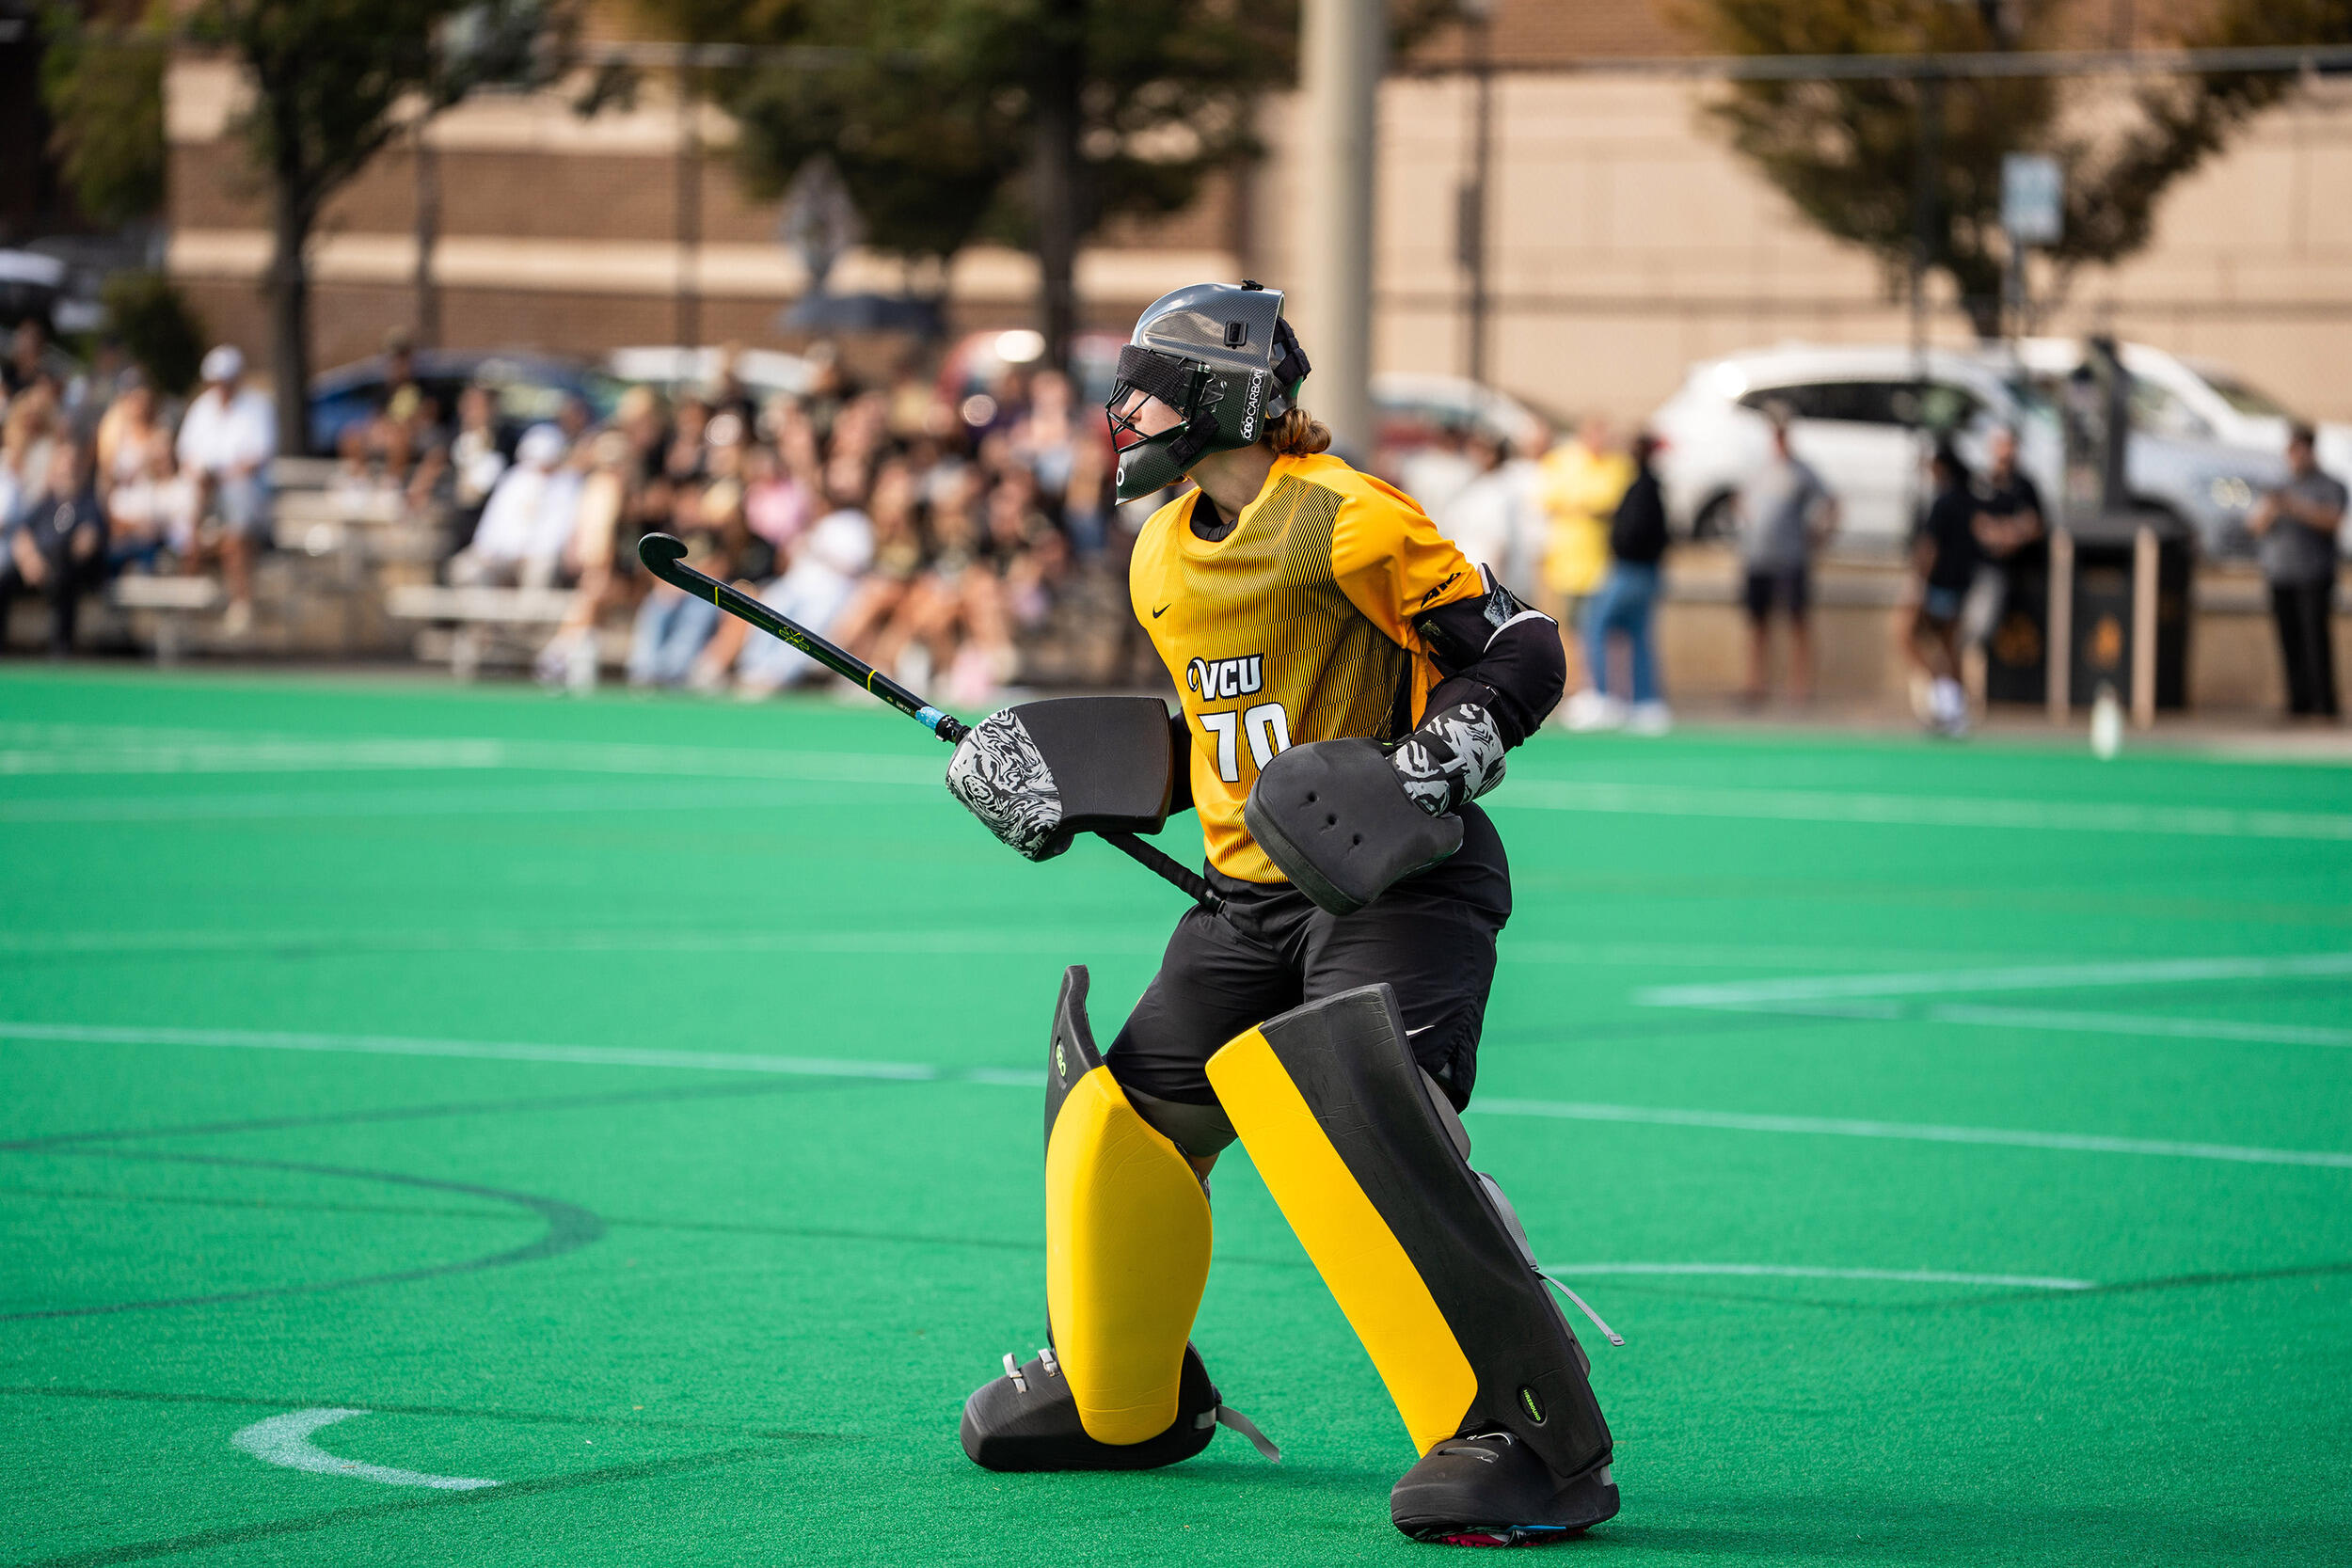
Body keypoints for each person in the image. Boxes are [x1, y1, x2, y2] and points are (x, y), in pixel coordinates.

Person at [943, 281, 1616, 1546]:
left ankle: (1528, 1438)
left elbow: (1524, 647)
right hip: (1247, 900)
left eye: (1143, 385)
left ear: (1219, 395)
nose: (1119, 410)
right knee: (1117, 1125)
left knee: (1359, 1130)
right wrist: (1059, 779)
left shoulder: (1348, 519)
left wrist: (1431, 762)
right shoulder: (1159, 553)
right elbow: (1221, 732)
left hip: (1401, 887)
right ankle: (1124, 1398)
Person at [1733, 414, 1836, 705]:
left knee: (1797, 621)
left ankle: (1799, 687)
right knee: (1757, 622)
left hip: (1791, 559)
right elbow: (1742, 501)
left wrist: (1820, 536)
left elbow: (1830, 501)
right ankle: (1754, 684)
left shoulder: (1802, 471)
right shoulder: (1759, 468)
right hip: (1758, 558)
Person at [174, 344, 276, 636]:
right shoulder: (201, 408)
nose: (221, 386)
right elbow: (187, 457)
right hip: (204, 495)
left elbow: (255, 459)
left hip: (243, 495)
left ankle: (238, 601)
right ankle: (186, 598)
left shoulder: (257, 406)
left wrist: (220, 476)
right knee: (191, 511)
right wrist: (206, 477)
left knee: (235, 529)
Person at [1572, 432, 1670, 734]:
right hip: (1647, 571)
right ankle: (1646, 702)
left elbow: (1634, 532)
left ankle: (1603, 698)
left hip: (1629, 570)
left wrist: (1620, 544)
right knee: (1638, 634)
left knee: (1595, 625)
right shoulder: (1652, 487)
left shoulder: (1641, 488)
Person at [2248, 423, 2346, 720]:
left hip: (2314, 575)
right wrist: (2273, 508)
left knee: (2315, 640)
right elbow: (2254, 526)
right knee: (2288, 640)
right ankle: (2298, 702)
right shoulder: (2279, 484)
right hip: (2281, 574)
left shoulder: (2329, 485)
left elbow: (2333, 521)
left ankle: (2324, 704)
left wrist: (2296, 508)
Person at [1538, 417, 1630, 718]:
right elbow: (1549, 498)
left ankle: (1605, 691)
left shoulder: (1618, 466)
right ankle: (1583, 689)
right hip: (1567, 563)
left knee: (1603, 629)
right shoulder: (1562, 461)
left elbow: (1612, 503)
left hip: (1605, 563)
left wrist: (1579, 504)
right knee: (1574, 629)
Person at [0, 436, 107, 655]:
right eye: (63, 461)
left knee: (63, 577)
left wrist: (74, 550)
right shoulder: (46, 501)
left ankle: (60, 650)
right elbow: (24, 532)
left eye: (71, 462)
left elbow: (89, 539)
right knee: (5, 578)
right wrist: (30, 560)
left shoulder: (88, 501)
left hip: (68, 568)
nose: (67, 467)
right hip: (38, 566)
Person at [1908, 443, 1979, 736]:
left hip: (1941, 584)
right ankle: (1951, 705)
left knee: (1916, 638)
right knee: (1949, 647)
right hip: (1960, 583)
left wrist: (1919, 582)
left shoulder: (1945, 501)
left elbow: (1930, 547)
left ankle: (1947, 702)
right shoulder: (1965, 499)